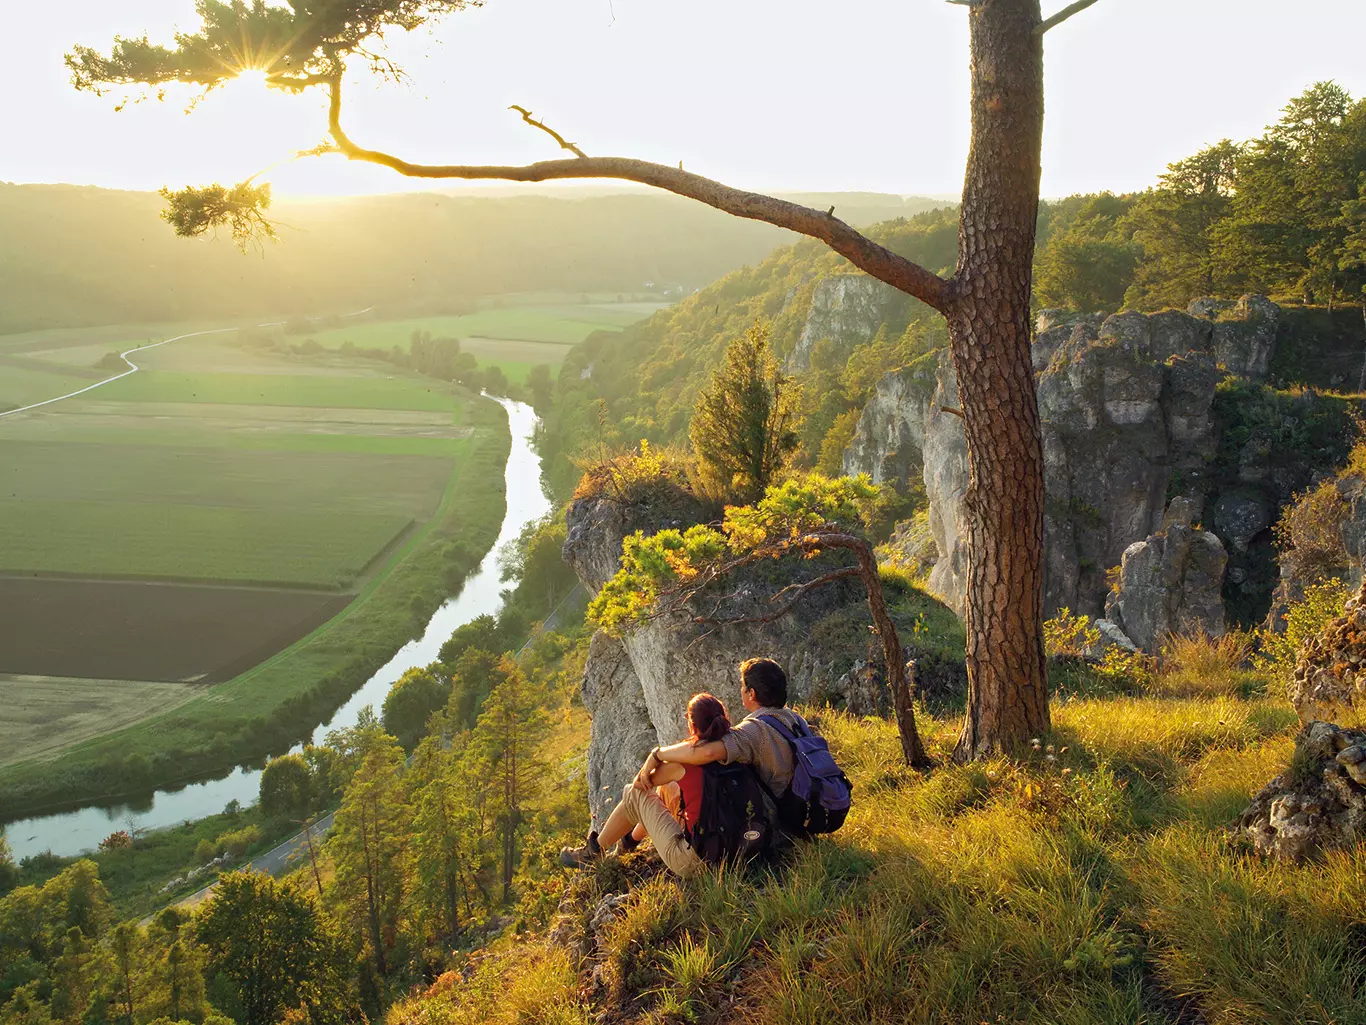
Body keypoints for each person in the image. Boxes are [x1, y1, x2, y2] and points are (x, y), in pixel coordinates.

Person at [560, 692, 732, 878]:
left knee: (634, 793)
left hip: (693, 863)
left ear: (692, 725)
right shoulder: (735, 748)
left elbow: (642, 783)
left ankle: (592, 852)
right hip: (733, 852)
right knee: (667, 789)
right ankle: (628, 843)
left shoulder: (684, 762)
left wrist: (657, 756)